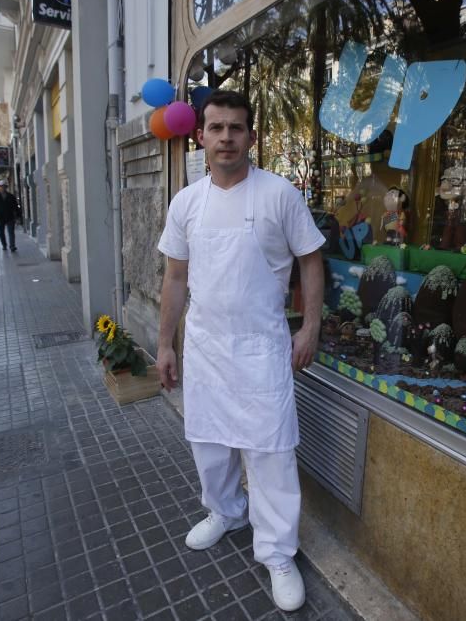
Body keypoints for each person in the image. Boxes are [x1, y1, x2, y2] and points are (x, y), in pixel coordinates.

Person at [156, 90, 325, 612]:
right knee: (208, 443)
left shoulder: (279, 195)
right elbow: (176, 276)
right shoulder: (186, 202)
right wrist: (165, 342)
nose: (226, 137)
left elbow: (312, 261)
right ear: (200, 136)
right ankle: (226, 511)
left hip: (261, 348)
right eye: (216, 128)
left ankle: (276, 552)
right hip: (205, 345)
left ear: (251, 136)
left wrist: (311, 327)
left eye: (236, 128)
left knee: (270, 454)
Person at [0, 180, 20, 251]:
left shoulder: (11, 196)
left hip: (10, 217)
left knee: (11, 232)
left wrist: (18, 217)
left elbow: (15, 207)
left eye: (4, 187)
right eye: (1, 187)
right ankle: (4, 245)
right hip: (0, 217)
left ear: (6, 187)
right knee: (1, 232)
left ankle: (12, 246)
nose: (3, 188)